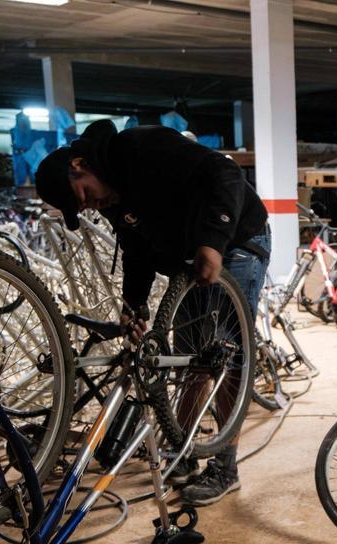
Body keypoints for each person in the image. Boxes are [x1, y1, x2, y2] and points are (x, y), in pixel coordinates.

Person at [35, 119, 269, 505]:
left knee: (223, 355)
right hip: (189, 257)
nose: (91, 205)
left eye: (84, 195)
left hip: (237, 241)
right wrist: (134, 305)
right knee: (189, 358)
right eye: (83, 206)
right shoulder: (111, 196)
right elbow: (136, 250)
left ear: (80, 165)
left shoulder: (141, 149)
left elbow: (224, 172)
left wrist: (214, 241)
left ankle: (224, 467)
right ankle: (185, 450)